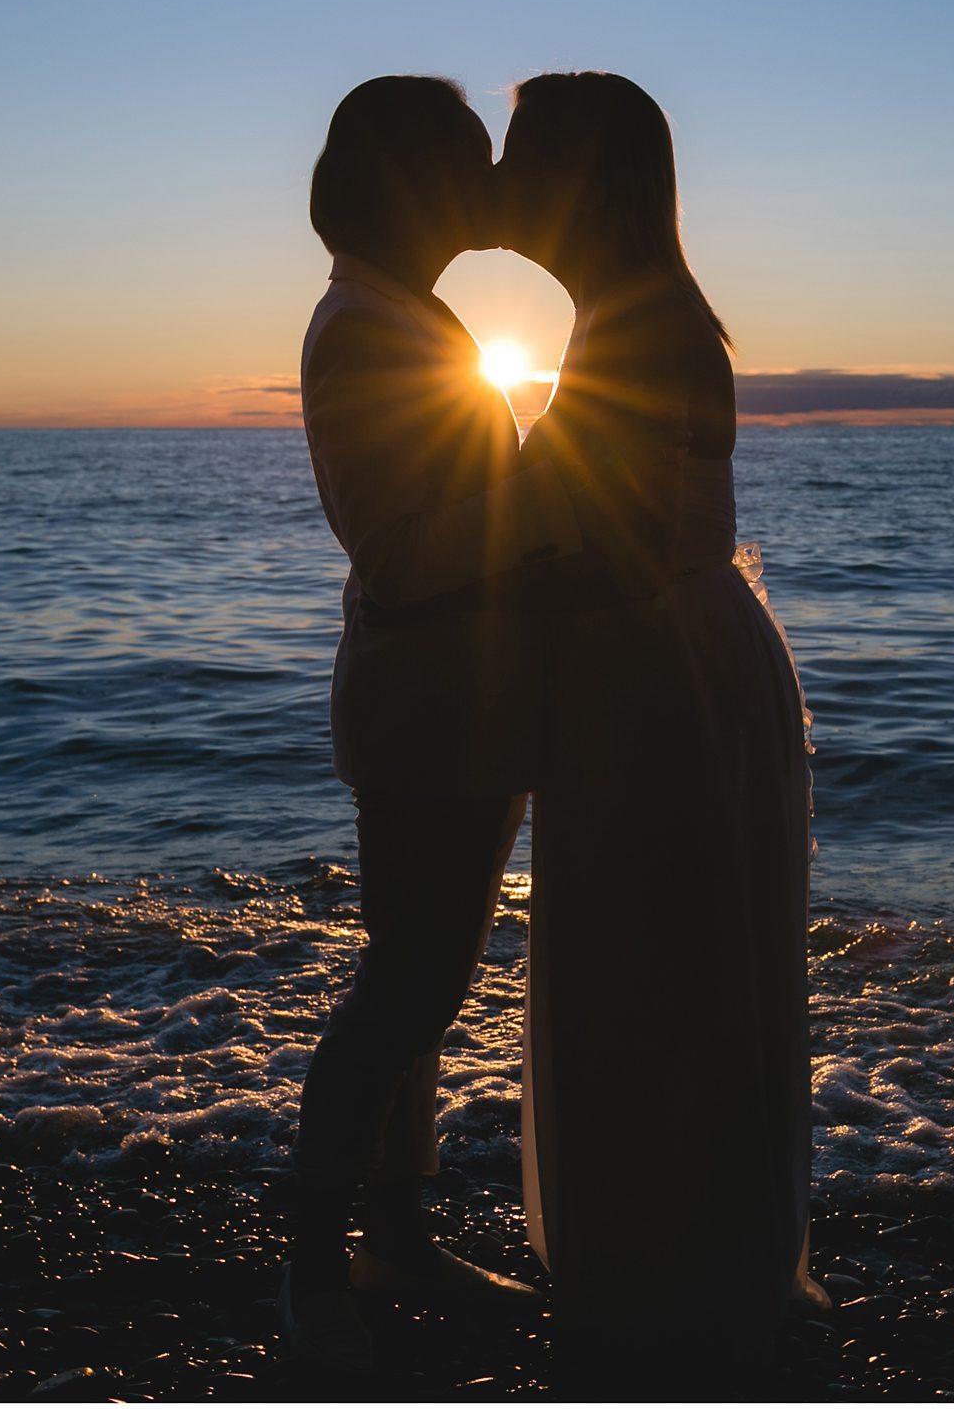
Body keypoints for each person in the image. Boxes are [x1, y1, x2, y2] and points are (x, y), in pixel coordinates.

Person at [495, 72, 820, 1384]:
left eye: (523, 158)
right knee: (675, 969)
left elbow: (612, 555)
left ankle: (667, 1277)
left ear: (582, 184)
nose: (501, 183)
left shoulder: (640, 331)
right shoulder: (634, 317)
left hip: (660, 686)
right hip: (664, 672)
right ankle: (674, 1261)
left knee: (656, 974)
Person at [283, 74, 580, 1370]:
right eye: (466, 165)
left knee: (420, 984)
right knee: (403, 991)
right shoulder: (364, 328)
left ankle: (395, 1236)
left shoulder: (404, 311)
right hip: (423, 713)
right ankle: (311, 1276)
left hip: (457, 704)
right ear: (409, 186)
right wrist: (552, 513)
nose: (489, 188)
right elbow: (401, 548)